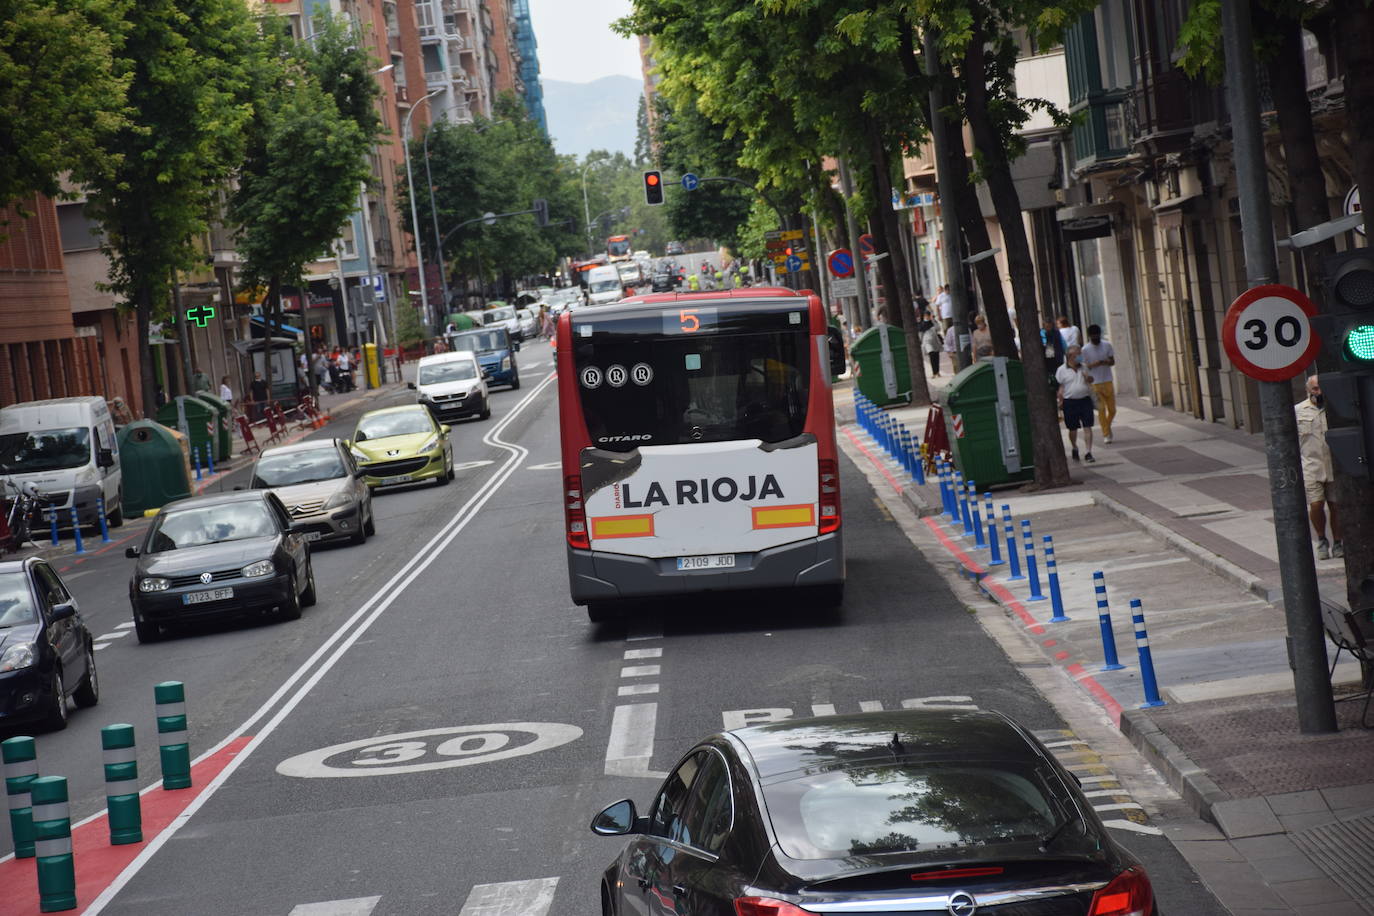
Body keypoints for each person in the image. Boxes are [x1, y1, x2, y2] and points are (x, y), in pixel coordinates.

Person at [1296, 375, 1343, 559]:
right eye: (1315, 389)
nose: (1319, 392)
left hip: (1334, 466)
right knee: (1316, 504)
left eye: (1321, 388)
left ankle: (1338, 542)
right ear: (1309, 390)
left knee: (1336, 505)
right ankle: (1322, 539)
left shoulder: (1334, 408)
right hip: (1311, 466)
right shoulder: (1299, 410)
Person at [1055, 346, 1095, 463]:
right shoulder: (1061, 370)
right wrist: (1060, 400)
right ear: (1071, 356)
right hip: (1070, 402)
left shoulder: (1084, 367)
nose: (1080, 356)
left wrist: (1088, 378)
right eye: (1078, 354)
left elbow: (1091, 380)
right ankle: (1074, 447)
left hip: (1085, 400)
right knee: (1073, 428)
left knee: (1087, 426)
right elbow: (1060, 386)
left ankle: (1088, 452)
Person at [1081, 324, 1117, 444]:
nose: (1095, 338)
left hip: (1107, 380)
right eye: (1093, 336)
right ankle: (1106, 434)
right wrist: (1094, 364)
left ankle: (1107, 427)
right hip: (1095, 383)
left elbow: (1112, 361)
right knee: (1101, 410)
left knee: (1112, 410)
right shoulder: (1085, 350)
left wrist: (1107, 361)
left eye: (1097, 336)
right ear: (1090, 336)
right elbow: (1083, 367)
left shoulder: (1107, 345)